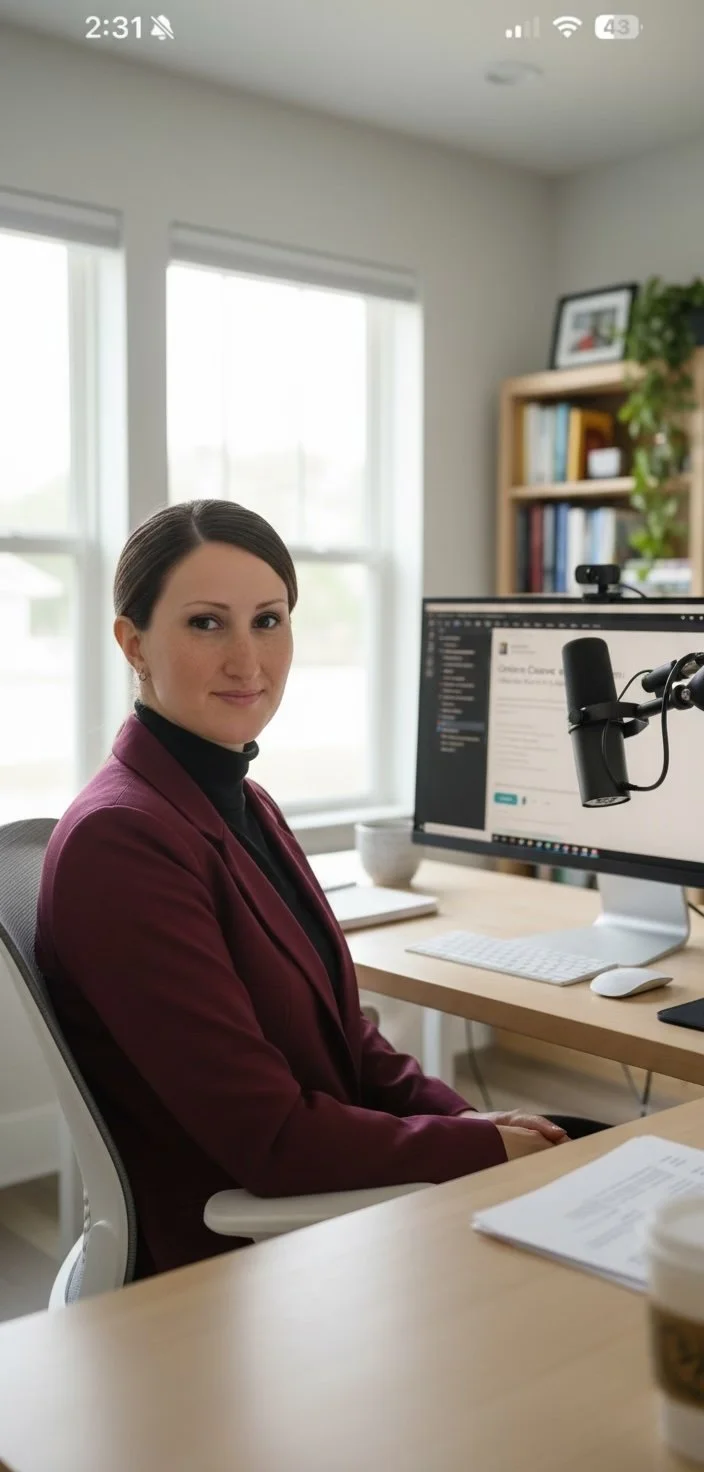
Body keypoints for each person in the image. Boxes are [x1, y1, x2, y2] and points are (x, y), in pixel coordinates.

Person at [34, 500, 605, 1281]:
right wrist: (482, 1147)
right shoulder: (123, 843)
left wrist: (473, 1117)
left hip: (322, 1212)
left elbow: (347, 1042)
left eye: (268, 621)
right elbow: (270, 1140)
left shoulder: (240, 801)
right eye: (207, 624)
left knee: (601, 1158)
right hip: (230, 1271)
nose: (248, 662)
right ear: (133, 643)